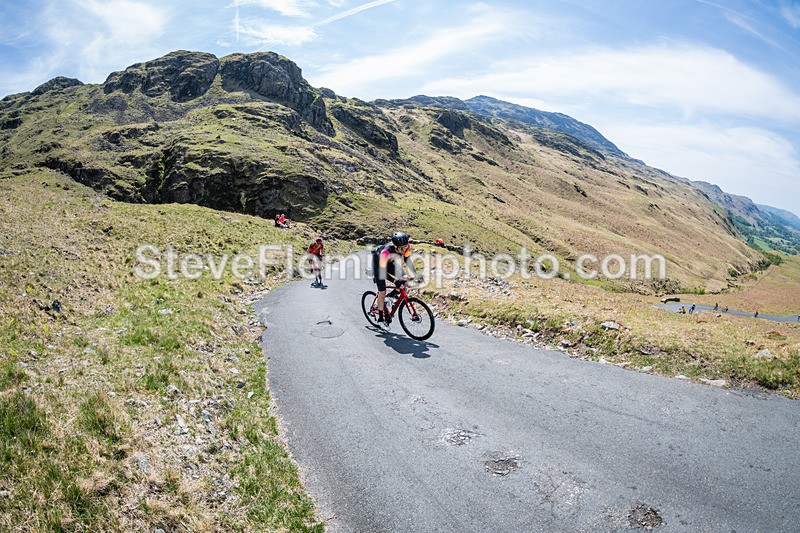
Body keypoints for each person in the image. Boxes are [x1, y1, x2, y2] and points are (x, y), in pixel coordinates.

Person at [372, 232, 415, 324]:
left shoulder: (406, 247)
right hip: (379, 265)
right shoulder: (386, 252)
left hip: (390, 262)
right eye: (401, 248)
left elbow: (407, 259)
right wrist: (395, 281)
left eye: (405, 247)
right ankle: (380, 319)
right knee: (382, 292)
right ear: (395, 246)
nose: (403, 250)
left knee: (404, 278)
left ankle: (390, 297)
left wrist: (415, 274)